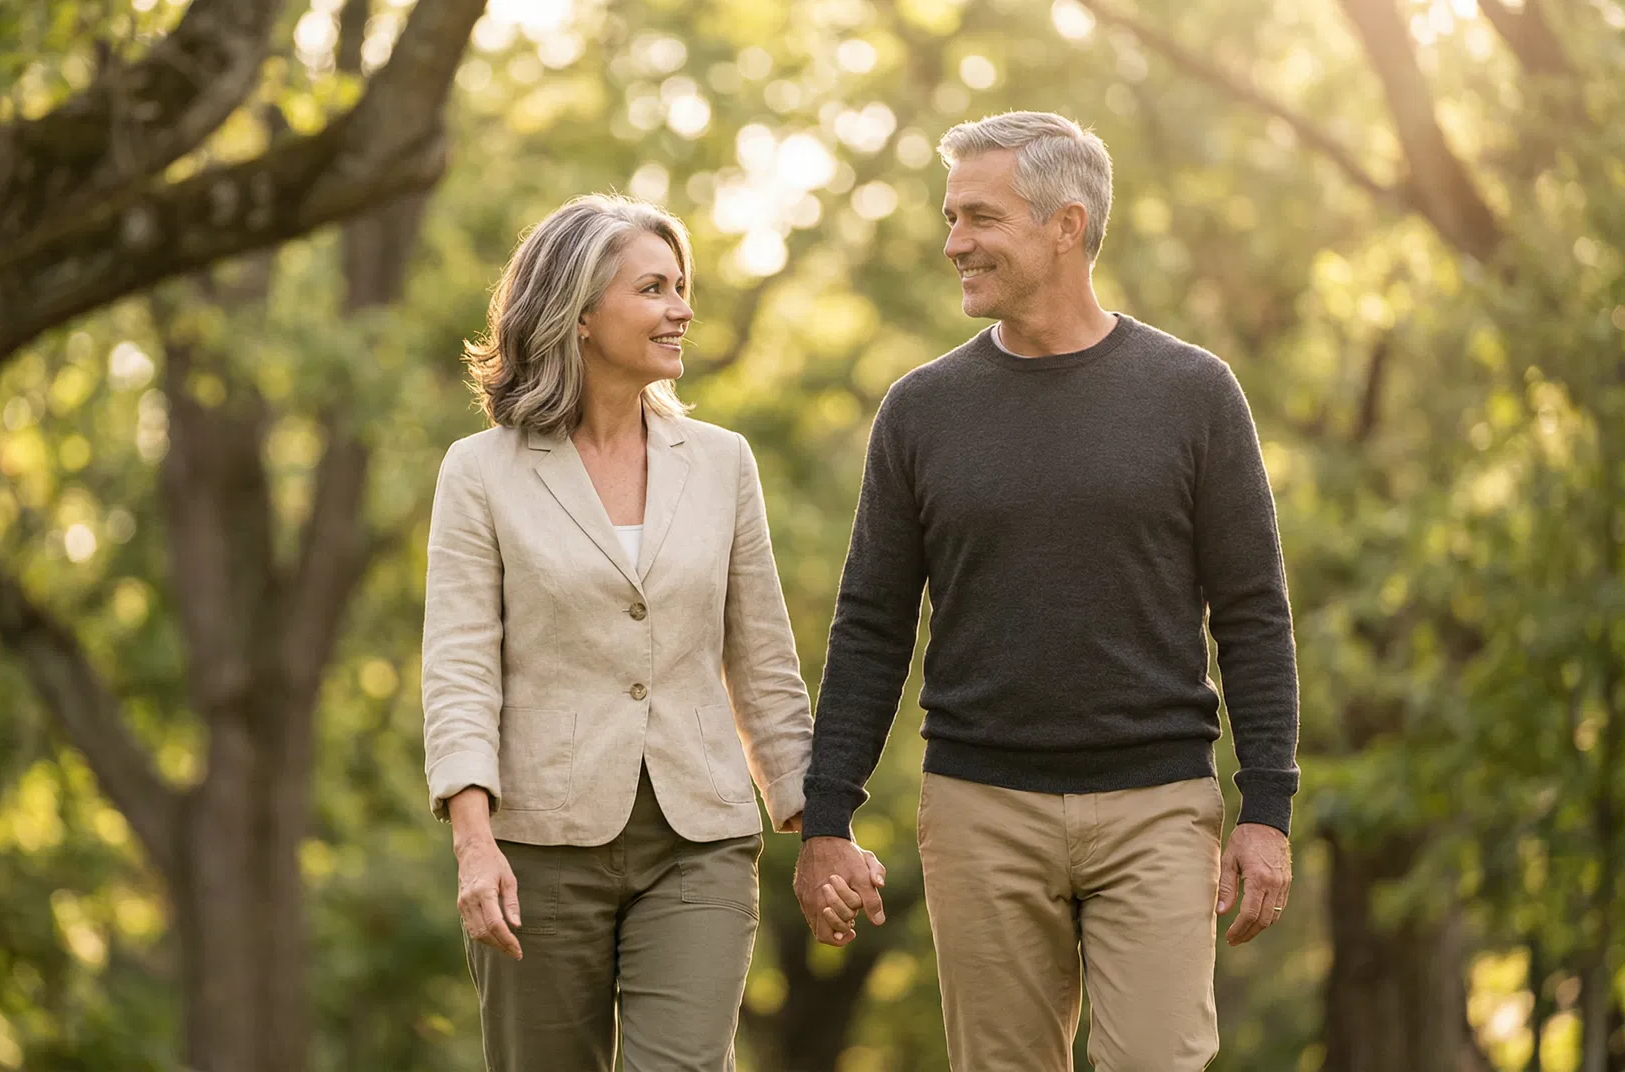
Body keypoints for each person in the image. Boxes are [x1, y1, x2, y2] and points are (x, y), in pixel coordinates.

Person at [794, 111, 1300, 1070]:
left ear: (1066, 225)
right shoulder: (922, 410)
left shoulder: (1193, 393)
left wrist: (1266, 807)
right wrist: (828, 815)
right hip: (980, 805)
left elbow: (1253, 614)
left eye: (979, 218)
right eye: (951, 218)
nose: (954, 244)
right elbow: (870, 627)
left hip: (1158, 804)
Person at [421, 194, 861, 1071]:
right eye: (654, 288)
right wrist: (475, 846)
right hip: (538, 847)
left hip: (699, 838)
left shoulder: (724, 462)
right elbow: (460, 668)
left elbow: (763, 660)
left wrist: (822, 824)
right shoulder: (482, 473)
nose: (682, 309)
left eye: (682, 286)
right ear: (581, 313)